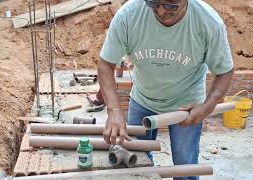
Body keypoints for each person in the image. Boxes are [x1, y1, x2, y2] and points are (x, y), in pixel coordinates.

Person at [98, 0, 234, 179]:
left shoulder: (208, 23)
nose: (161, 11)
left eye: (171, 6)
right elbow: (105, 64)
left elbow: (225, 71)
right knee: (137, 162)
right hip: (143, 98)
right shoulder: (129, 15)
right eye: (153, 2)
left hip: (186, 106)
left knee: (185, 166)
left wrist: (208, 106)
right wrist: (114, 110)